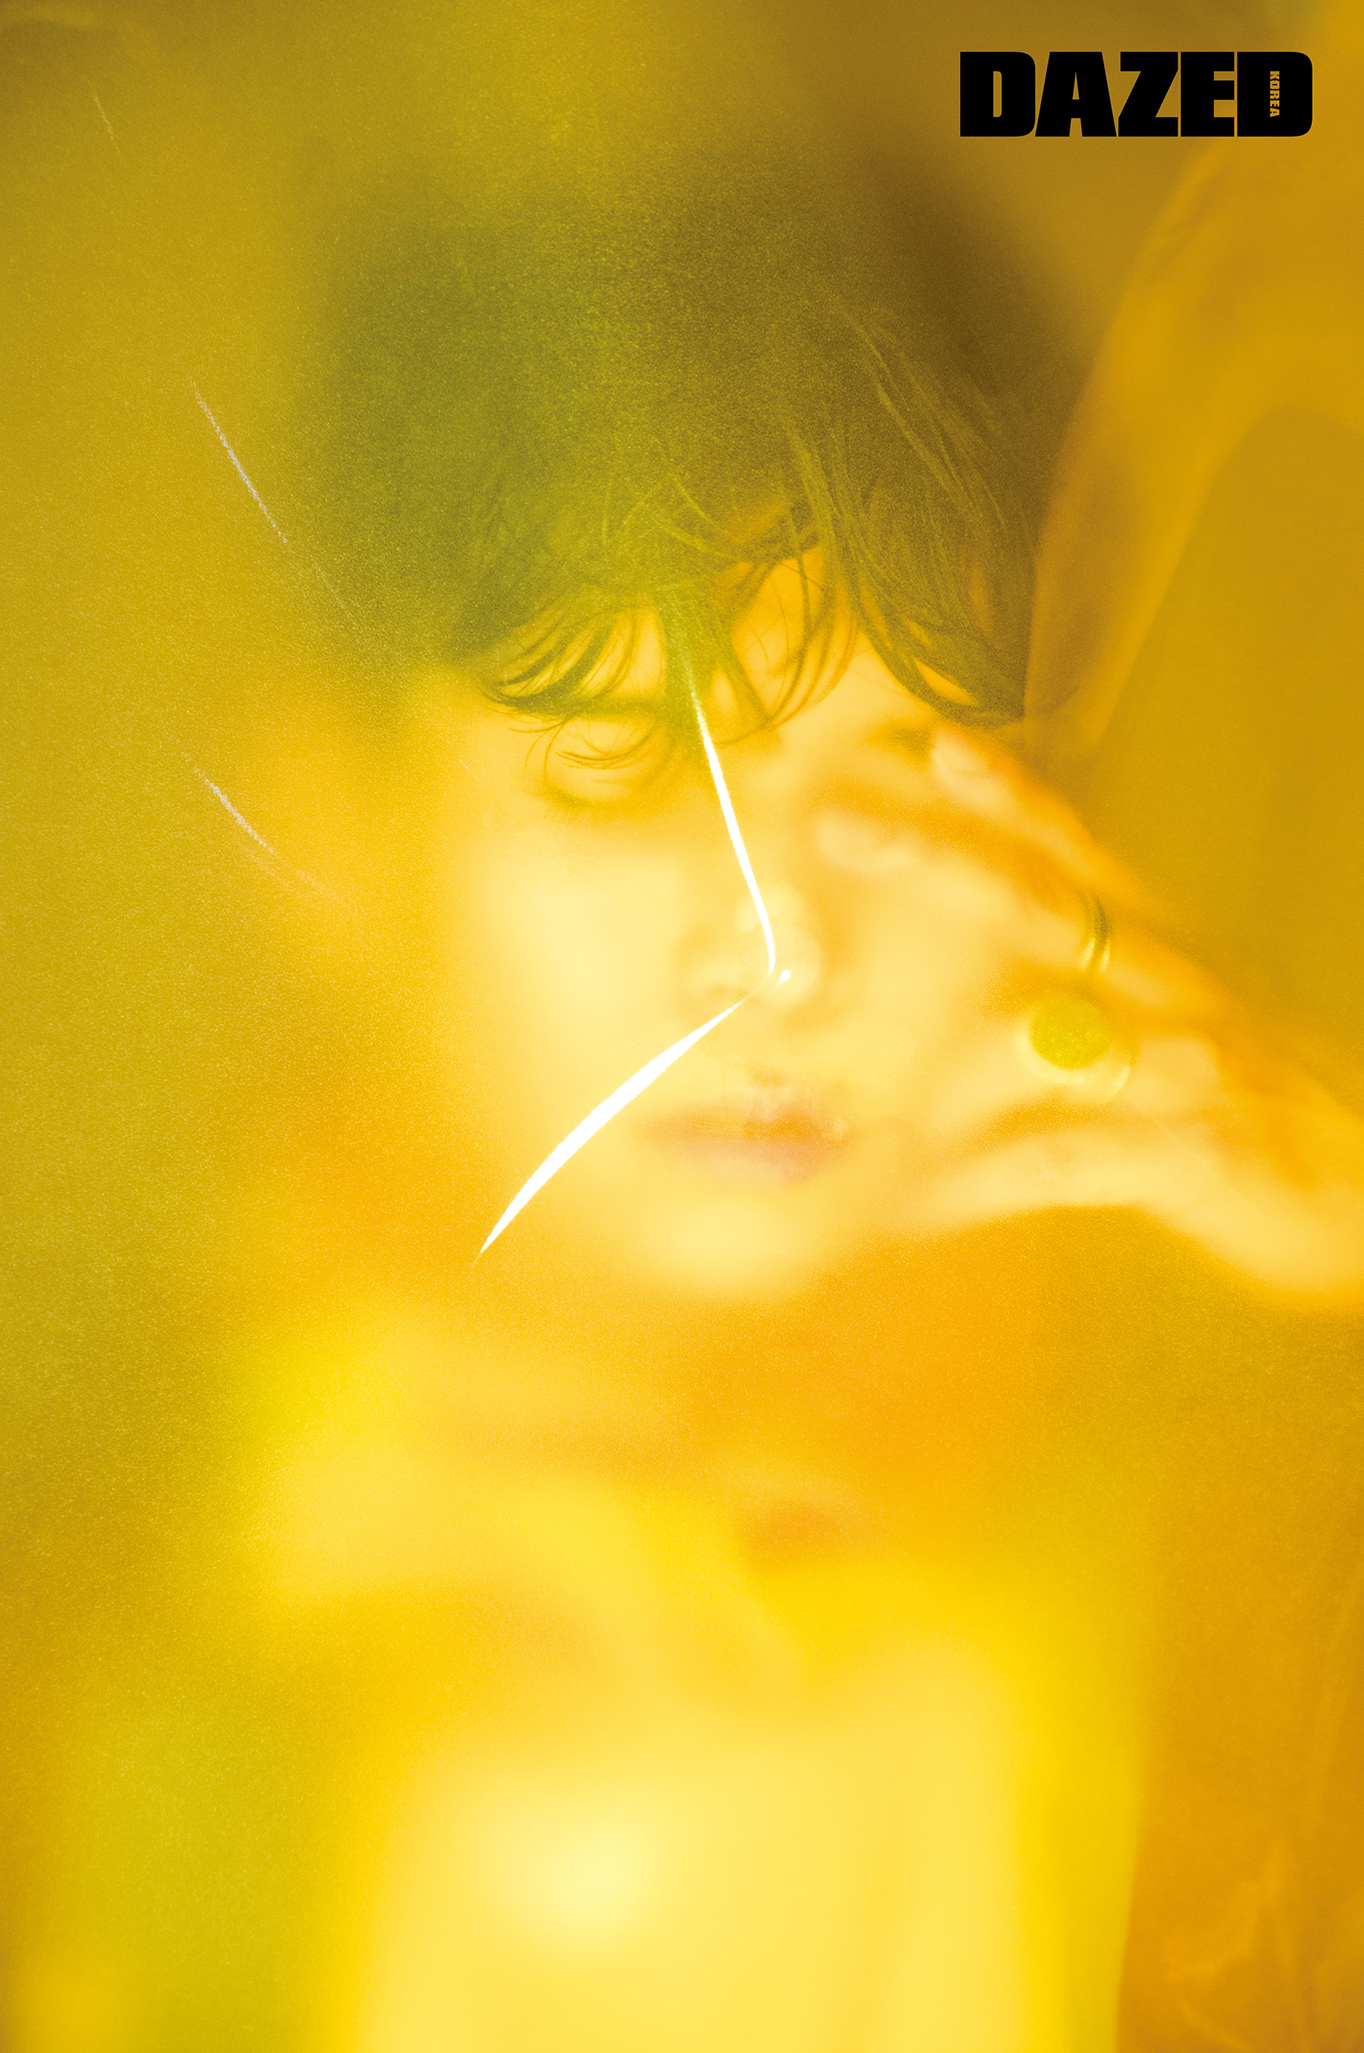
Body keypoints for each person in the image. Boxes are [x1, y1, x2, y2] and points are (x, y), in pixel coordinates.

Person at [6, 5, 1364, 2049]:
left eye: (904, 794)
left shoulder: (1209, 1543)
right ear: (335, 828)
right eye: (621, 773)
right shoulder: (107, 1615)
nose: (784, 953)